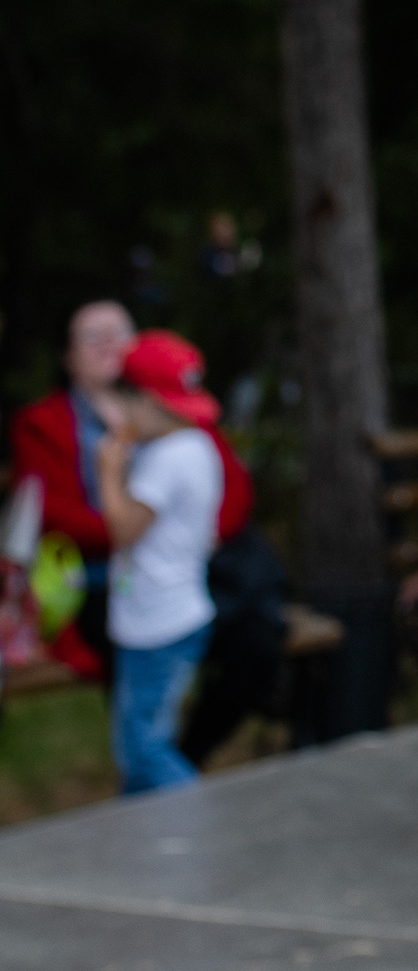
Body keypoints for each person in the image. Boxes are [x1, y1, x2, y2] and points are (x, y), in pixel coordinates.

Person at [9, 304, 254, 685]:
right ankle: (151, 742)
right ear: (69, 358)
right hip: (100, 575)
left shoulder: (173, 408)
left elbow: (231, 483)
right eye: (93, 336)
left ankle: (160, 744)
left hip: (180, 566)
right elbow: (54, 513)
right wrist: (137, 526)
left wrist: (194, 536)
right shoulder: (41, 423)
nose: (109, 343)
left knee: (252, 629)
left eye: (119, 332)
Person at [93, 343, 226, 793]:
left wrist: (109, 472)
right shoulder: (198, 446)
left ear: (146, 401)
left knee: (142, 749)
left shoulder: (169, 457)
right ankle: (144, 837)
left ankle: (202, 822)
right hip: (174, 612)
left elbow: (125, 531)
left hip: (157, 625)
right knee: (144, 744)